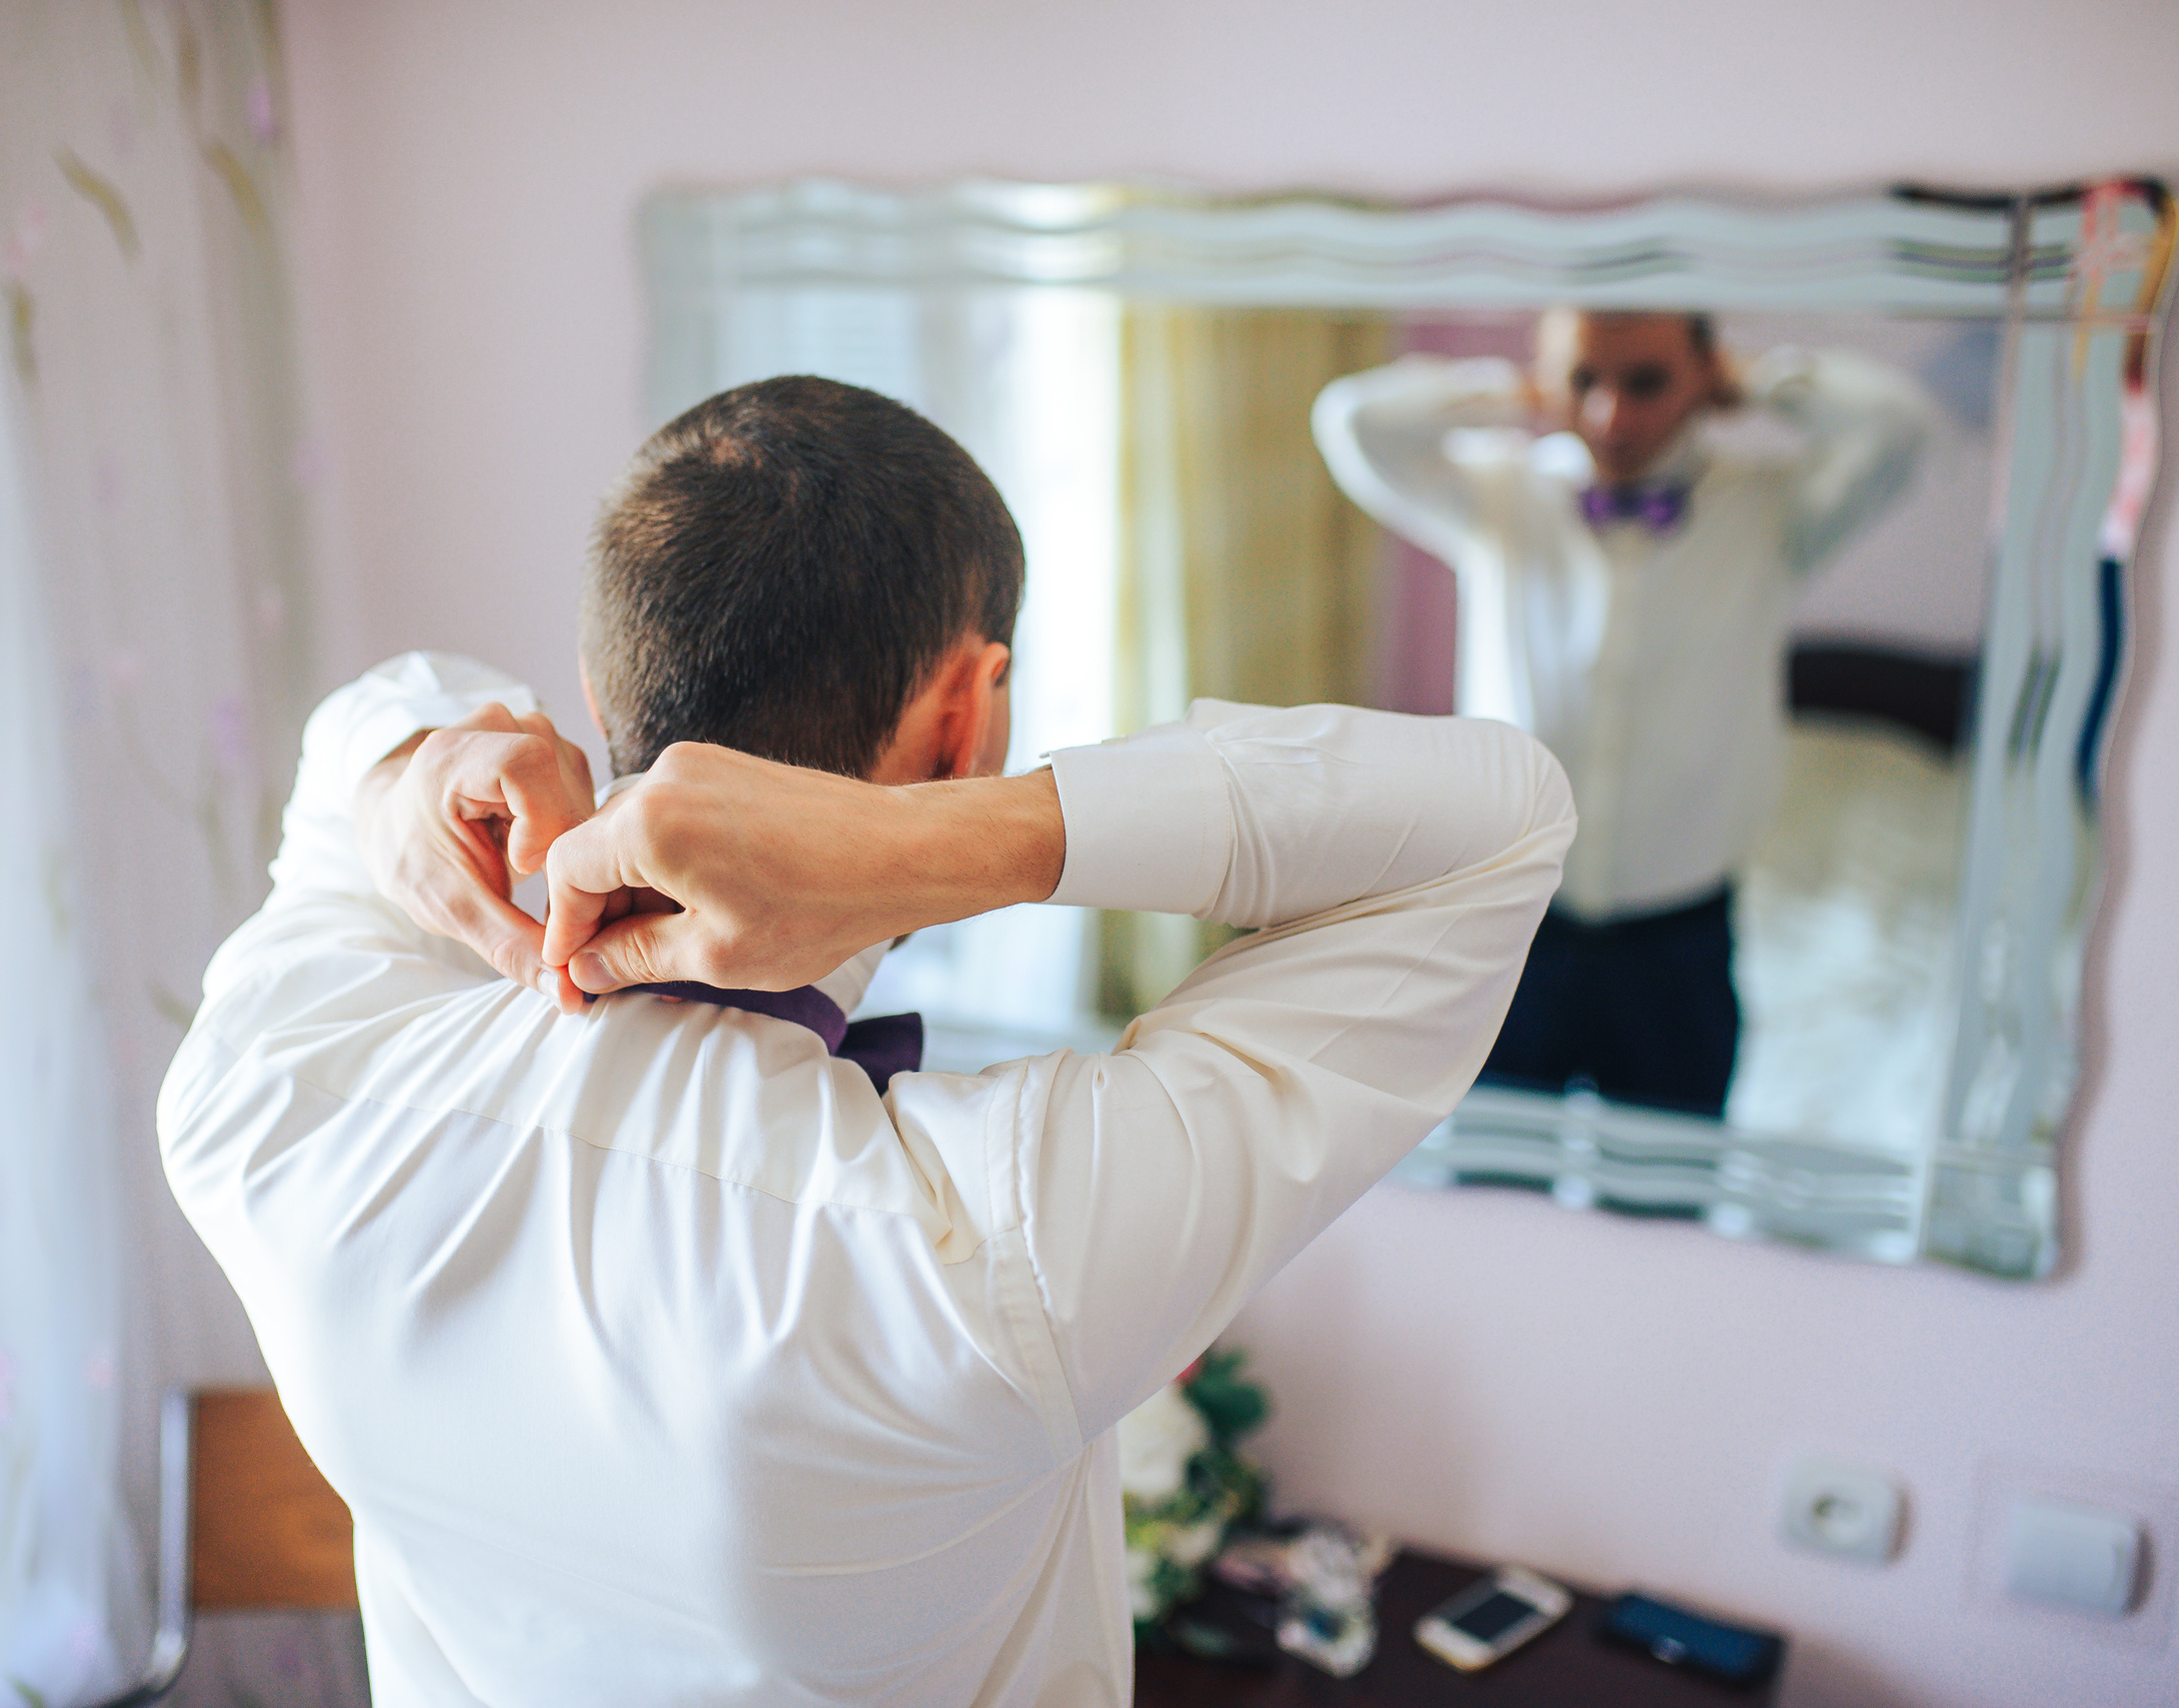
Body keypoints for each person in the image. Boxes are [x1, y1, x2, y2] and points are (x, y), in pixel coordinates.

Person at [160, 376, 1573, 1706]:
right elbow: (1499, 823)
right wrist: (955, 840)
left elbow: (369, 722)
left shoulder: (272, 1086)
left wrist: (410, 770)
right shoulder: (1001, 1253)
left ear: (598, 693)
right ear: (969, 716)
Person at [1314, 312, 1932, 1117]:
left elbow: (1900, 428)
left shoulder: (1772, 511)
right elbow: (1353, 423)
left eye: (1646, 381)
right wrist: (1513, 394)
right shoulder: (1500, 494)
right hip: (1508, 929)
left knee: (1669, 1183)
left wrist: (1756, 380)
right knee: (1495, 1173)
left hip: (1678, 947)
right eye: (1584, 380)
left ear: (1705, 375)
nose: (1611, 415)